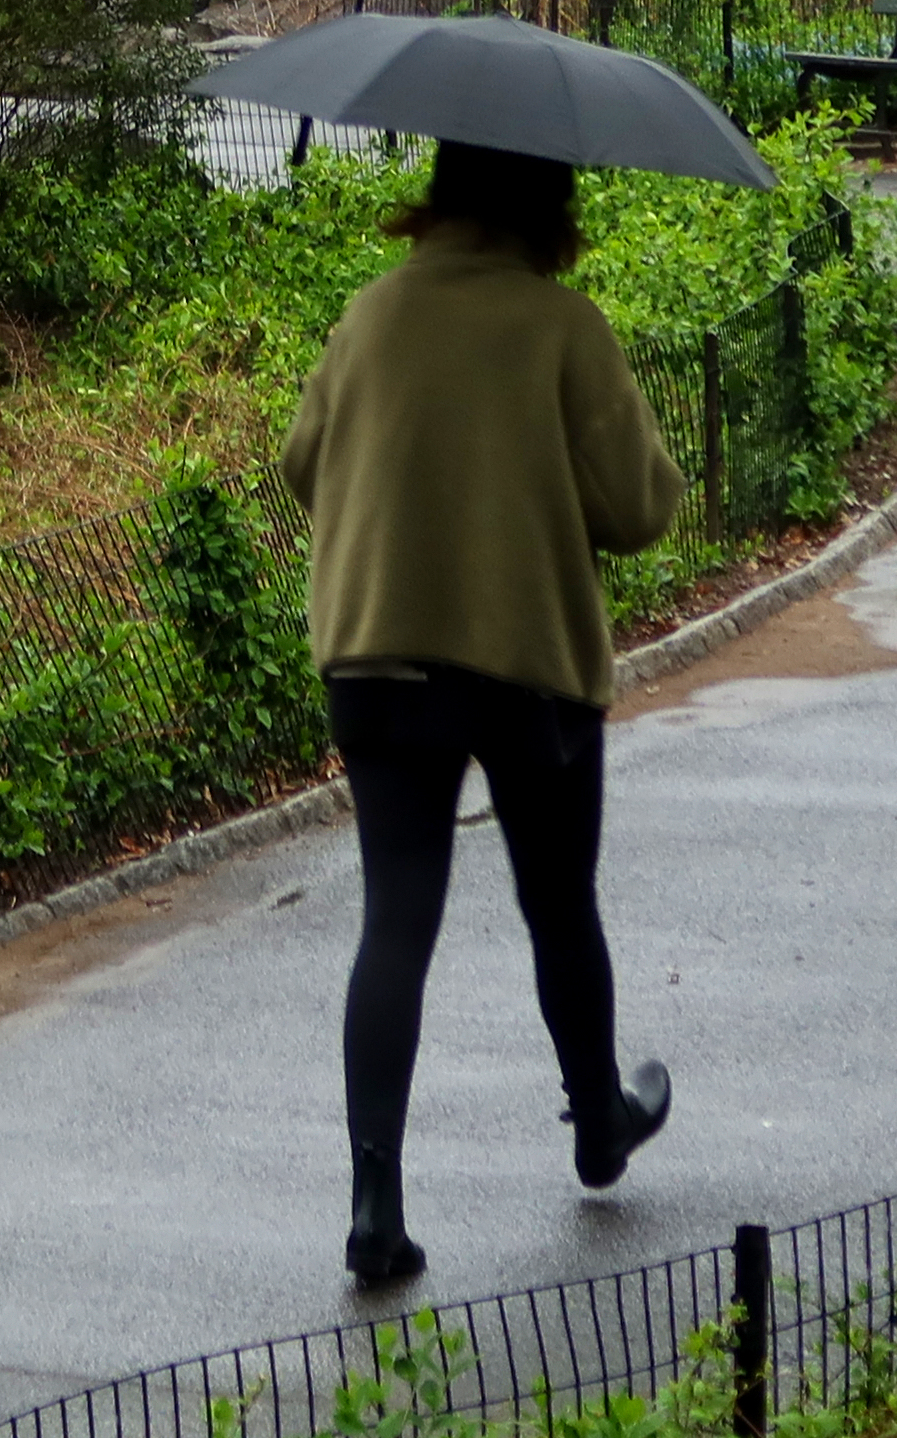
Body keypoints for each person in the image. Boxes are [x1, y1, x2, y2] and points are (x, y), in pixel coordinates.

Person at [273, 137, 686, 1291]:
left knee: (394, 920)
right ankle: (599, 1121)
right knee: (557, 901)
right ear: (547, 198)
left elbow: (304, 462)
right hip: (526, 661)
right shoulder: (562, 326)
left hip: (376, 657)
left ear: (443, 191)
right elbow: (641, 507)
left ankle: (373, 1202)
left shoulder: (368, 315)